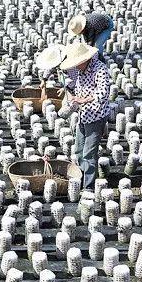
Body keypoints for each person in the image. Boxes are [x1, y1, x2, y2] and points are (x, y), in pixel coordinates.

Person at [36, 42, 110, 191]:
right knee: (79, 150)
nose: (75, 67)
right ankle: (83, 177)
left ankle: (88, 186)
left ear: (84, 60)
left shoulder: (100, 69)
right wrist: (71, 102)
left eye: (77, 64)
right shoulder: (81, 72)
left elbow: (103, 93)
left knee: (89, 153)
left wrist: (82, 100)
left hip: (96, 116)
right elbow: (76, 91)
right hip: (83, 115)